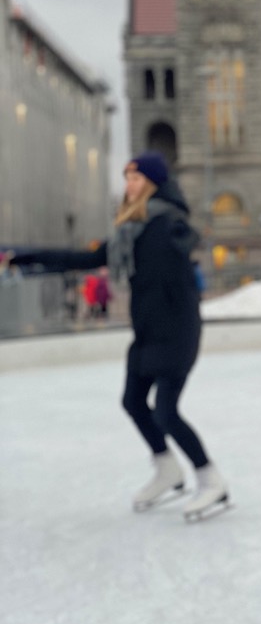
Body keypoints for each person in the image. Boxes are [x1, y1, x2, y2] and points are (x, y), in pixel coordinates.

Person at [8, 152, 229, 520]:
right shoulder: (133, 230)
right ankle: (167, 469)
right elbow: (87, 259)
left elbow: (184, 245)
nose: (129, 185)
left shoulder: (165, 224)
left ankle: (211, 478)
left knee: (167, 412)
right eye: (127, 178)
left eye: (137, 178)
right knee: (133, 402)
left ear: (155, 184)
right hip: (147, 332)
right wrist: (22, 256)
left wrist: (182, 240)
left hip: (176, 331)